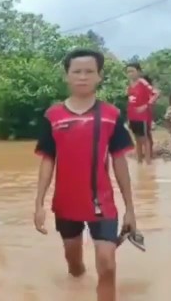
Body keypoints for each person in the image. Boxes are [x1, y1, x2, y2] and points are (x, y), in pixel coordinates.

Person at [34, 49, 137, 301]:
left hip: (102, 203)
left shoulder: (112, 115)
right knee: (75, 266)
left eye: (89, 71)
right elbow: (48, 161)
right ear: (66, 76)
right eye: (76, 72)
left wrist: (131, 209)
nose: (83, 77)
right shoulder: (52, 116)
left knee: (108, 264)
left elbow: (119, 163)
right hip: (66, 203)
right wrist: (38, 204)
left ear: (100, 76)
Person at [125, 62, 159, 164]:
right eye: (128, 72)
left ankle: (148, 162)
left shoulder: (143, 83)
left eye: (132, 71)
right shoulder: (130, 85)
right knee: (137, 139)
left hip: (142, 116)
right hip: (132, 116)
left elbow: (156, 93)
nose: (130, 74)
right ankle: (139, 161)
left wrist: (146, 105)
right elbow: (130, 101)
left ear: (138, 72)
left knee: (145, 139)